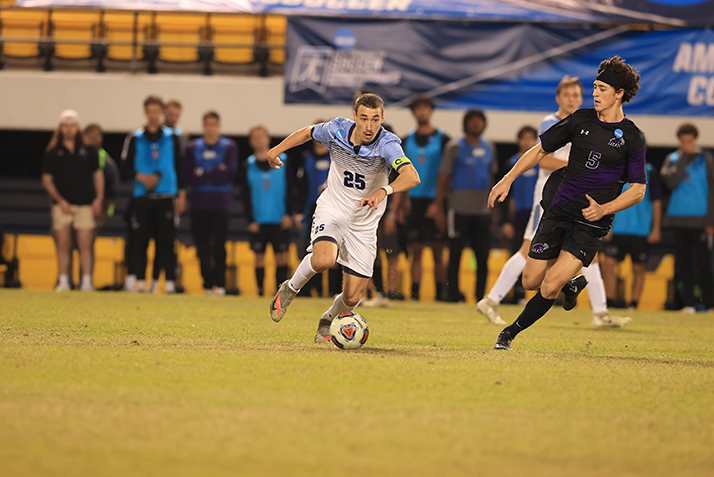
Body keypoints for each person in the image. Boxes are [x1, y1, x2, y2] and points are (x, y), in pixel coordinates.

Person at [489, 55, 646, 351]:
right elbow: (538, 152)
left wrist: (605, 209)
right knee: (531, 281)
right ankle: (571, 285)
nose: (595, 93)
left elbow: (637, 190)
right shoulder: (580, 119)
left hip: (591, 222)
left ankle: (508, 334)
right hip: (558, 210)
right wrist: (507, 179)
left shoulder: (632, 137)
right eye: (595, 87)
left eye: (601, 88)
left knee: (550, 285)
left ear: (619, 93)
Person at [267, 93, 420, 342]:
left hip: (364, 224)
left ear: (382, 118)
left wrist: (384, 190)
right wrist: (277, 150)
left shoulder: (388, 144)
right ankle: (290, 288)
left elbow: (412, 176)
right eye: (363, 119)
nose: (369, 126)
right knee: (324, 260)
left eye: (375, 119)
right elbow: (307, 132)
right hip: (333, 209)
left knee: (351, 298)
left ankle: (328, 319)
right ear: (354, 117)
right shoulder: (336, 129)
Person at [120, 95, 186, 293]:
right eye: (150, 111)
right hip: (142, 197)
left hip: (167, 196)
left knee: (165, 241)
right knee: (140, 240)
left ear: (162, 113)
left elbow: (180, 167)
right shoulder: (135, 137)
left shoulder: (172, 137)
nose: (154, 115)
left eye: (157, 111)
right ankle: (137, 281)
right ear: (145, 113)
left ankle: (164, 282)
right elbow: (125, 167)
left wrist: (182, 194)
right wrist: (140, 176)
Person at [435, 109, 495, 303]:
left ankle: (480, 296)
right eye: (473, 121)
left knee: (482, 256)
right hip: (458, 208)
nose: (476, 124)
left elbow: (492, 177)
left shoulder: (489, 147)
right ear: (466, 124)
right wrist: (438, 207)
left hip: (482, 209)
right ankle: (453, 294)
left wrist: (492, 206)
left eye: (480, 121)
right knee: (455, 255)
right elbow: (443, 178)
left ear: (484, 124)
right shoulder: (455, 146)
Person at [41, 109, 104, 292]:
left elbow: (98, 175)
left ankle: (86, 281)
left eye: (73, 125)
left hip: (85, 203)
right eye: (66, 125)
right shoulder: (53, 151)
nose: (69, 129)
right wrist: (60, 200)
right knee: (63, 244)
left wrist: (98, 199)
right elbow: (46, 179)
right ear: (61, 128)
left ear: (78, 127)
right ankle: (63, 281)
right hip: (62, 205)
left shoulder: (89, 150)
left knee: (86, 244)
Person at [660, 123, 714, 312]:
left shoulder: (707, 160)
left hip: (700, 221)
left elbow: (712, 192)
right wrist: (683, 160)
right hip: (678, 219)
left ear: (695, 140)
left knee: (704, 264)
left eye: (689, 141)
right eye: (683, 141)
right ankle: (689, 304)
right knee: (684, 265)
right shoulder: (673, 158)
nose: (686, 144)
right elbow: (671, 183)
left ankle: (710, 303)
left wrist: (710, 221)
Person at [402, 96, 451, 301]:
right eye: (418, 109)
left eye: (426, 108)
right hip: (413, 200)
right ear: (413, 112)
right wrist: (402, 201)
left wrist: (439, 204)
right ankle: (414, 295)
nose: (422, 112)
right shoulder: (405, 140)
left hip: (435, 200)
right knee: (416, 250)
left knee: (438, 251)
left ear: (431, 111)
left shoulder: (444, 139)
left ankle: (440, 295)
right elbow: (400, 172)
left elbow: (447, 173)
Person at [186, 111, 238, 296]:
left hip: (220, 203)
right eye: (207, 124)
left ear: (219, 126)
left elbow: (229, 174)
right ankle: (207, 285)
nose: (210, 128)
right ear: (203, 126)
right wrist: (216, 172)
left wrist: (203, 172)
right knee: (202, 246)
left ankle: (221, 285)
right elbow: (190, 177)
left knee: (219, 245)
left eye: (214, 124)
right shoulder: (193, 147)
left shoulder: (229, 146)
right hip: (198, 203)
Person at [601, 163, 662, 310]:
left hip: (641, 230)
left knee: (638, 268)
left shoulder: (650, 171)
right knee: (608, 263)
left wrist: (656, 229)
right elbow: (608, 197)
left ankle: (634, 304)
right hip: (617, 228)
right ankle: (610, 302)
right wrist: (606, 226)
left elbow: (657, 202)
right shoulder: (616, 168)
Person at [243, 124, 293, 297]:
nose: (259, 141)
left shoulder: (284, 160)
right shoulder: (248, 165)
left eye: (261, 136)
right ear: (250, 142)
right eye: (255, 138)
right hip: (258, 221)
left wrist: (290, 214)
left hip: (280, 219)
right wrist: (250, 219)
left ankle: (279, 293)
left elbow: (292, 188)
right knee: (258, 258)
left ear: (268, 139)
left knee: (281, 257)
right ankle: (260, 292)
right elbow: (245, 195)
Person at [500, 125, 539, 305]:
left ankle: (544, 294)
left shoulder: (541, 164)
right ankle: (516, 294)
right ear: (518, 140)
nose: (528, 142)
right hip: (518, 215)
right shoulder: (512, 163)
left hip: (537, 213)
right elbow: (505, 196)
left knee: (538, 254)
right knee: (517, 252)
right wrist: (505, 221)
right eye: (524, 138)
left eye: (532, 138)